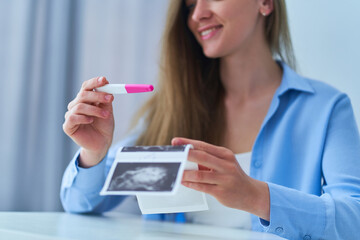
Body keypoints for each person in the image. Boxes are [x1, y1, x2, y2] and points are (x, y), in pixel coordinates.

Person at [61, 0, 360, 239]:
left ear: (265, 3)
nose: (198, 15)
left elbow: (354, 221)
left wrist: (254, 195)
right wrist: (94, 154)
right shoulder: (173, 108)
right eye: (190, 6)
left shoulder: (325, 109)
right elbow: (82, 204)